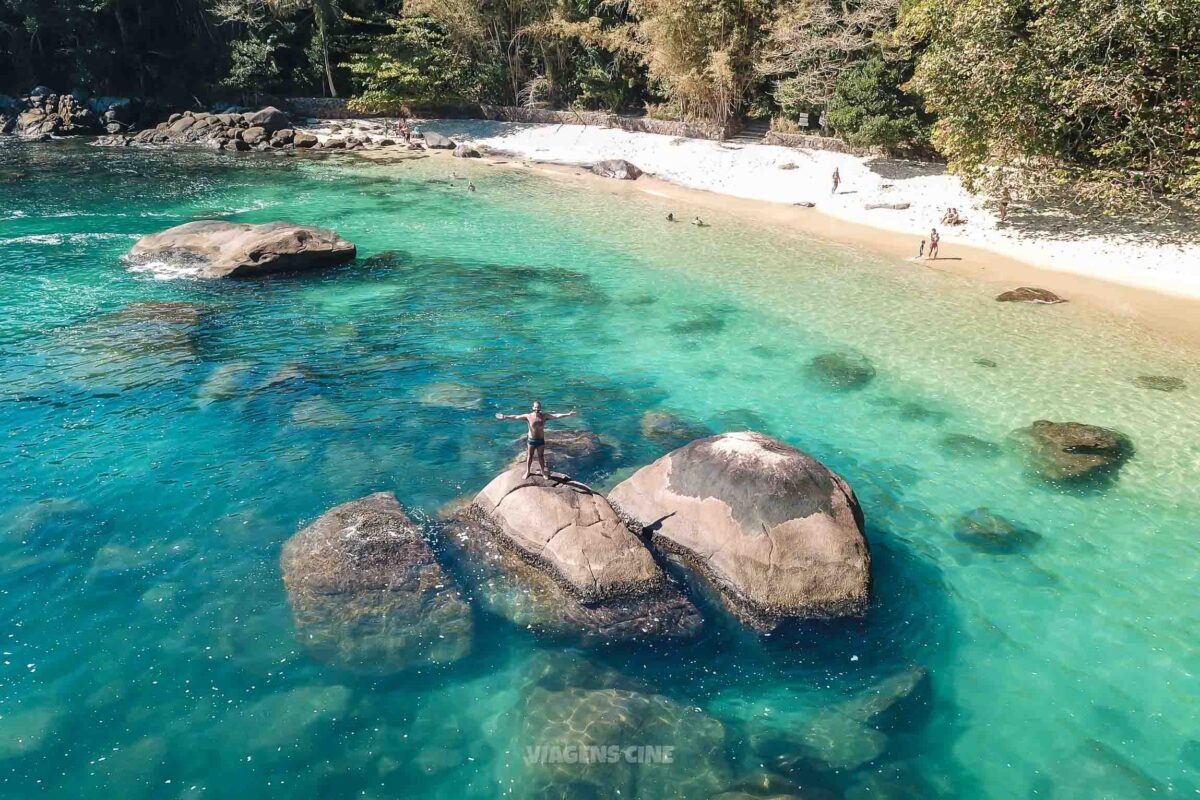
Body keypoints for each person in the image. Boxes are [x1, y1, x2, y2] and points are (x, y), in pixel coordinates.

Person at [495, 401, 578, 479]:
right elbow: (516, 417)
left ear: (540, 408)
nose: (537, 409)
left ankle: (543, 472)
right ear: (532, 408)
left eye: (538, 408)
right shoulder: (528, 416)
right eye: (535, 408)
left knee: (541, 456)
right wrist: (505, 416)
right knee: (530, 456)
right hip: (531, 440)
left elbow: (556, 416)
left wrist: (568, 414)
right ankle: (528, 471)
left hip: (540, 440)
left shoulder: (544, 416)